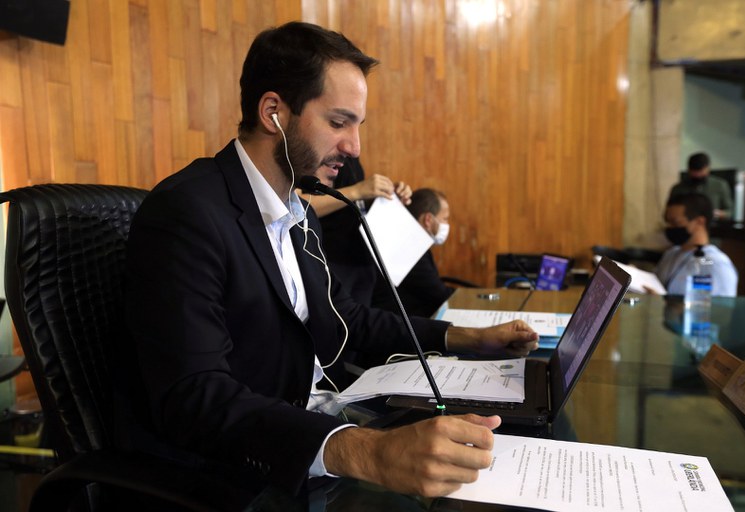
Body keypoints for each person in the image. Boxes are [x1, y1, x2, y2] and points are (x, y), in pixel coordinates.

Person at [122, 21, 539, 498]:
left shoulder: (298, 212)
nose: (354, 147)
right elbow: (195, 396)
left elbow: (348, 317)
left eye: (357, 126)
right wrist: (370, 452)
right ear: (274, 112)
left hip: (316, 431)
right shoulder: (187, 212)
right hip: (241, 474)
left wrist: (469, 338)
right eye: (339, 123)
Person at [300, 157, 412, 306]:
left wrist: (385, 195)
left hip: (362, 259)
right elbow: (297, 204)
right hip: (332, 260)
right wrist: (357, 190)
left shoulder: (352, 159)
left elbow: (353, 204)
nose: (354, 149)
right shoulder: (315, 154)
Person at [372, 188, 455, 318]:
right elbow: (441, 296)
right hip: (399, 324)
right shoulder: (409, 249)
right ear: (428, 220)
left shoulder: (411, 242)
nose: (447, 224)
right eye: (445, 219)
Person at [655, 193, 738, 297]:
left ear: (699, 222)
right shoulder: (670, 255)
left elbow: (721, 306)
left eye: (675, 223)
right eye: (668, 222)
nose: (670, 227)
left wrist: (665, 301)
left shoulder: (714, 262)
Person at [668, 152, 733, 220]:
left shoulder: (719, 185)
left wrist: (719, 214)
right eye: (695, 173)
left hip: (712, 224)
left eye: (700, 173)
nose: (698, 176)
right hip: (684, 225)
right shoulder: (678, 188)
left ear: (707, 169)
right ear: (689, 170)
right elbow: (667, 212)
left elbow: (730, 212)